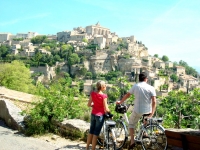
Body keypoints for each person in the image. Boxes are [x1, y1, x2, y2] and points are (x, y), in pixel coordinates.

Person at [117, 72, 156, 149]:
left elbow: (128, 95)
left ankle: (132, 141)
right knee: (145, 120)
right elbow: (154, 101)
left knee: (131, 124)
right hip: (148, 110)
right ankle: (144, 133)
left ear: (139, 79)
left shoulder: (135, 86)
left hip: (138, 110)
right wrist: (152, 112)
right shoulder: (151, 88)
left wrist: (120, 102)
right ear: (146, 79)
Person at [86, 80, 110, 150]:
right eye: (105, 85)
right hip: (100, 116)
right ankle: (93, 148)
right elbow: (106, 108)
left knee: (91, 131)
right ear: (102, 87)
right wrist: (110, 113)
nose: (106, 86)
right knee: (96, 133)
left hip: (93, 114)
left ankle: (87, 147)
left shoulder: (92, 94)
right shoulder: (104, 96)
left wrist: (93, 105)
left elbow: (88, 104)